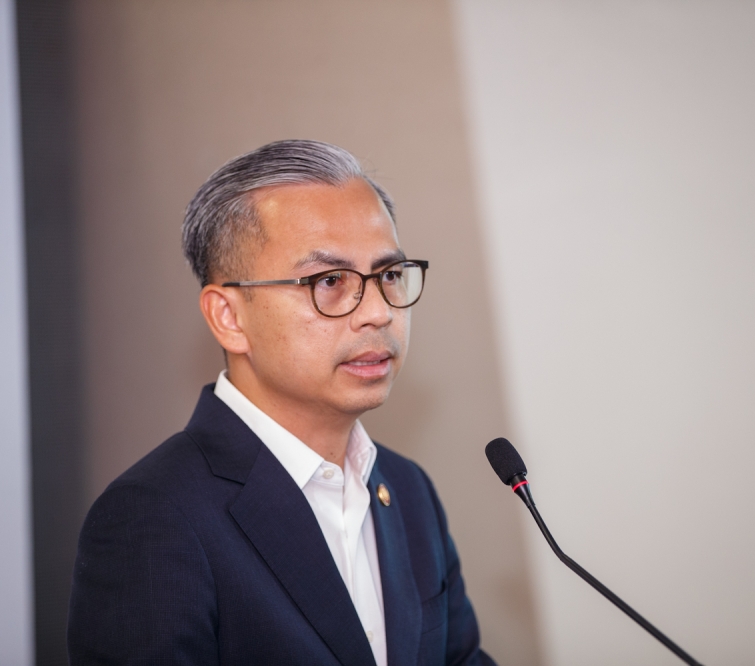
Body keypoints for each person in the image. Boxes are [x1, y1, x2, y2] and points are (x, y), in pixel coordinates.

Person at [68, 140, 495, 666]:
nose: (378, 312)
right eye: (329, 281)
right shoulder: (155, 517)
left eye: (388, 275)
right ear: (229, 317)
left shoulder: (407, 489)